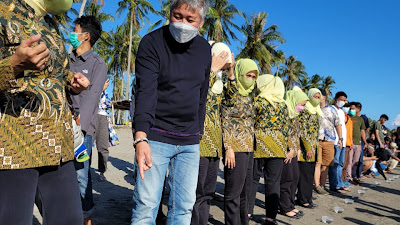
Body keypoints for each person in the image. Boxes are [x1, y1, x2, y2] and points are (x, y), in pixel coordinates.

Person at [0, 0, 90, 224]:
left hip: (58, 144)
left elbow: (56, 72)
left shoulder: (51, 23)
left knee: (70, 219)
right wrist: (14, 64)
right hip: (15, 145)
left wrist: (71, 81)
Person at [131, 0, 211, 224]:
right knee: (146, 205)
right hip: (155, 137)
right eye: (177, 16)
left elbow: (201, 96)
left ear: (201, 22)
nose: (182, 23)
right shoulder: (152, 43)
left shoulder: (205, 50)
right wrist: (141, 138)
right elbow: (145, 92)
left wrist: (199, 133)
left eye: (190, 19)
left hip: (189, 143)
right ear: (169, 14)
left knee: (183, 208)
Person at [70, 15, 108, 224]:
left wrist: (79, 126)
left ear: (85, 36)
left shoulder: (97, 63)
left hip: (82, 131)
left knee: (81, 175)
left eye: (74, 30)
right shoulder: (68, 59)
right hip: (61, 126)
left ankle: (85, 219)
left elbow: (93, 97)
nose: (71, 34)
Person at [191, 42, 232, 225]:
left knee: (208, 191)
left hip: (215, 145)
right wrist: (212, 71)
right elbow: (196, 94)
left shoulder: (220, 83)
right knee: (195, 191)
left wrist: (230, 74)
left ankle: (202, 221)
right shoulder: (199, 74)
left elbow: (233, 103)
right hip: (198, 142)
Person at [221, 58, 258, 225]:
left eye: (253, 76)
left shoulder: (250, 96)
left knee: (245, 192)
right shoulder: (232, 91)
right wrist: (228, 147)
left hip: (249, 148)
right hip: (234, 147)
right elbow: (225, 117)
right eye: (247, 75)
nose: (250, 78)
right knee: (233, 192)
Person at [247, 75, 289, 224]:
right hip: (278, 148)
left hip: (259, 145)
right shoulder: (283, 105)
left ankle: (248, 212)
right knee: (273, 183)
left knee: (252, 180)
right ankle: (271, 218)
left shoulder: (258, 101)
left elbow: (250, 122)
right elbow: (286, 128)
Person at [279, 87, 308, 220]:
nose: (303, 108)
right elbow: (283, 133)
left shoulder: (295, 115)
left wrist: (297, 148)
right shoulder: (284, 112)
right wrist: (289, 148)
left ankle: (290, 204)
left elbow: (296, 135)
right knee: (287, 179)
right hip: (286, 151)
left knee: (295, 177)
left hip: (294, 151)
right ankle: (285, 207)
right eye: (302, 104)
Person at [297, 88, 322, 209]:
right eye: (314, 97)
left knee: (310, 174)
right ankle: (303, 199)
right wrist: (308, 148)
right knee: (305, 175)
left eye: (318, 97)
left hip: (314, 148)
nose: (317, 100)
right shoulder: (305, 111)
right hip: (305, 149)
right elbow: (303, 131)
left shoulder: (316, 112)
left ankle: (308, 198)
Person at [314, 89, 342, 195]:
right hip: (316, 140)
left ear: (324, 97)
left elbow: (337, 124)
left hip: (329, 140)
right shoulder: (313, 108)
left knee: (325, 165)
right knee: (317, 163)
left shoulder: (331, 109)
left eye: (319, 96)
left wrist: (340, 138)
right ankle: (316, 185)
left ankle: (322, 185)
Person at [328, 91, 348, 193]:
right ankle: (334, 185)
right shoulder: (331, 109)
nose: (343, 102)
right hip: (336, 141)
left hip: (343, 141)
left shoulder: (342, 111)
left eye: (344, 100)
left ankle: (340, 183)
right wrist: (338, 140)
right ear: (336, 99)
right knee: (334, 164)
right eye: (341, 100)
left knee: (340, 164)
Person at [346, 102, 367, 184]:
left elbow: (362, 131)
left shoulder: (360, 119)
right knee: (349, 161)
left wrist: (365, 142)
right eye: (350, 109)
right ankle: (348, 176)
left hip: (358, 143)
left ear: (357, 109)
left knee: (356, 161)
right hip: (350, 143)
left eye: (353, 109)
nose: (352, 110)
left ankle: (354, 176)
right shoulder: (347, 117)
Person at [96, 79, 111, 181]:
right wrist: (102, 89)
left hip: (104, 117)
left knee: (103, 147)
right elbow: (90, 98)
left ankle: (102, 171)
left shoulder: (106, 92)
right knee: (87, 146)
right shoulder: (92, 83)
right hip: (92, 116)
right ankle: (85, 171)